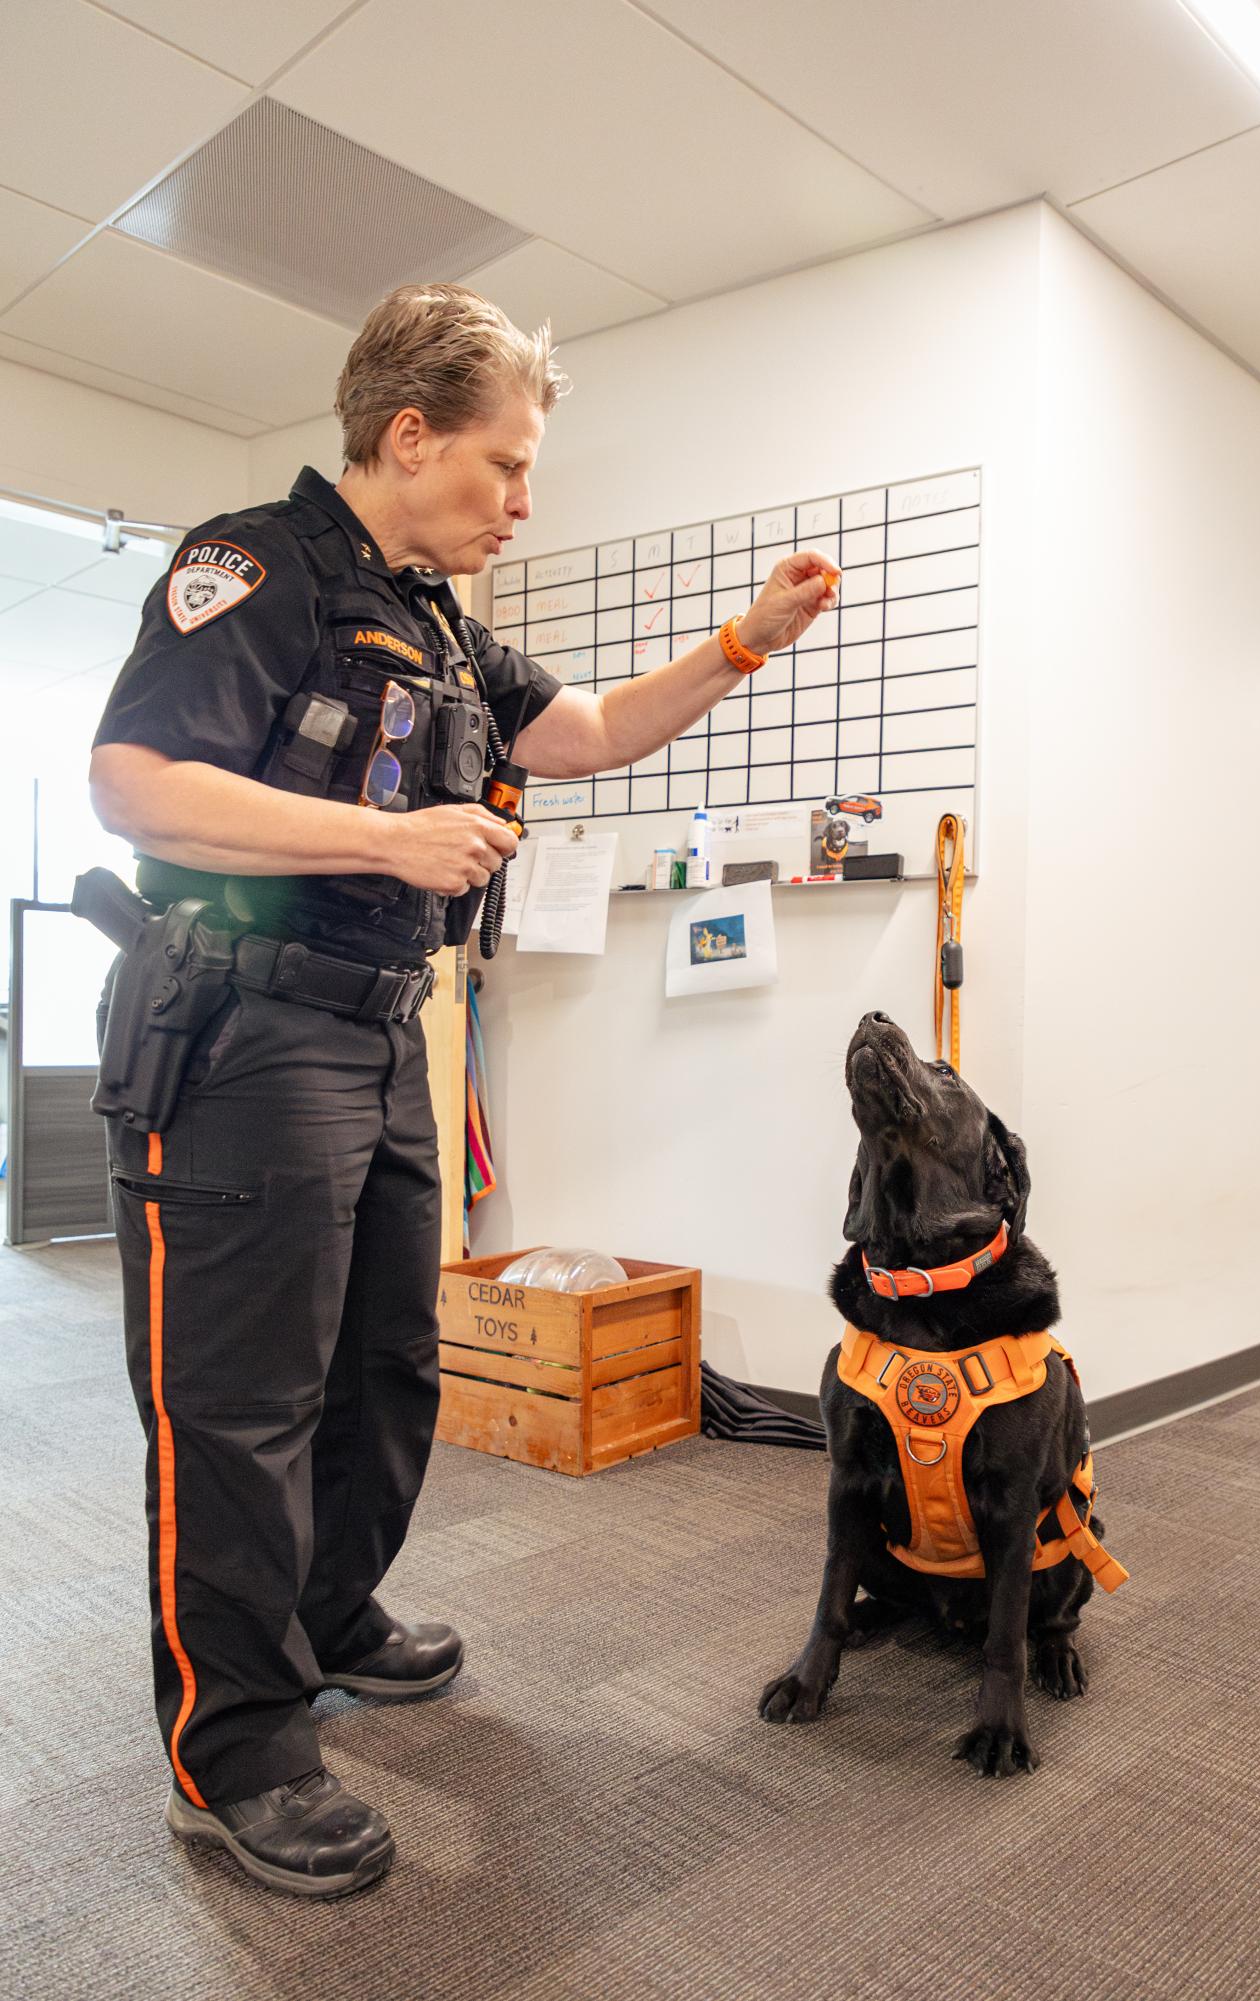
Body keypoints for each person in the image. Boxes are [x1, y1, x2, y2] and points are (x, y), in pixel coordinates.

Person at [88, 282, 839, 1899]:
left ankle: (327, 1610)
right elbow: (134, 783)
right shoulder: (257, 565)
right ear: (406, 432)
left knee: (383, 1365)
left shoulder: (431, 615)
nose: (521, 499)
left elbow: (587, 731)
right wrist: (384, 838)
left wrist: (741, 643)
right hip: (239, 1036)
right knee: (236, 1408)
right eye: (501, 465)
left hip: (375, 1030)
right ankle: (233, 1749)